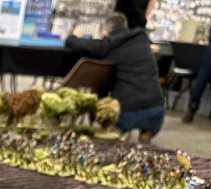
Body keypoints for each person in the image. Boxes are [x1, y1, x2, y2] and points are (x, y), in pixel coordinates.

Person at [66, 14, 166, 142]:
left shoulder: (108, 45)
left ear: (105, 31)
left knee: (110, 134)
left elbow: (74, 43)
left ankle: (115, 139)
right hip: (157, 108)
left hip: (127, 111)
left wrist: (74, 35)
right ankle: (145, 139)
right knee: (144, 138)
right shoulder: (141, 39)